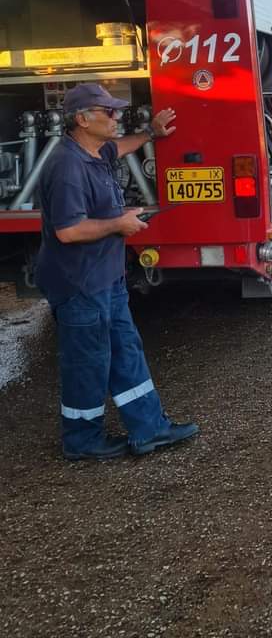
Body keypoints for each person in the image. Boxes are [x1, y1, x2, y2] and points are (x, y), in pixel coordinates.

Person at [35, 82, 199, 461]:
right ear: (81, 119)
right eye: (107, 112)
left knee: (126, 350)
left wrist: (151, 134)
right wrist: (119, 224)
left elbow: (119, 147)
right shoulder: (68, 167)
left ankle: (149, 429)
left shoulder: (94, 151)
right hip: (78, 284)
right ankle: (82, 441)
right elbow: (68, 230)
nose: (116, 116)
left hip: (106, 279)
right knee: (88, 363)